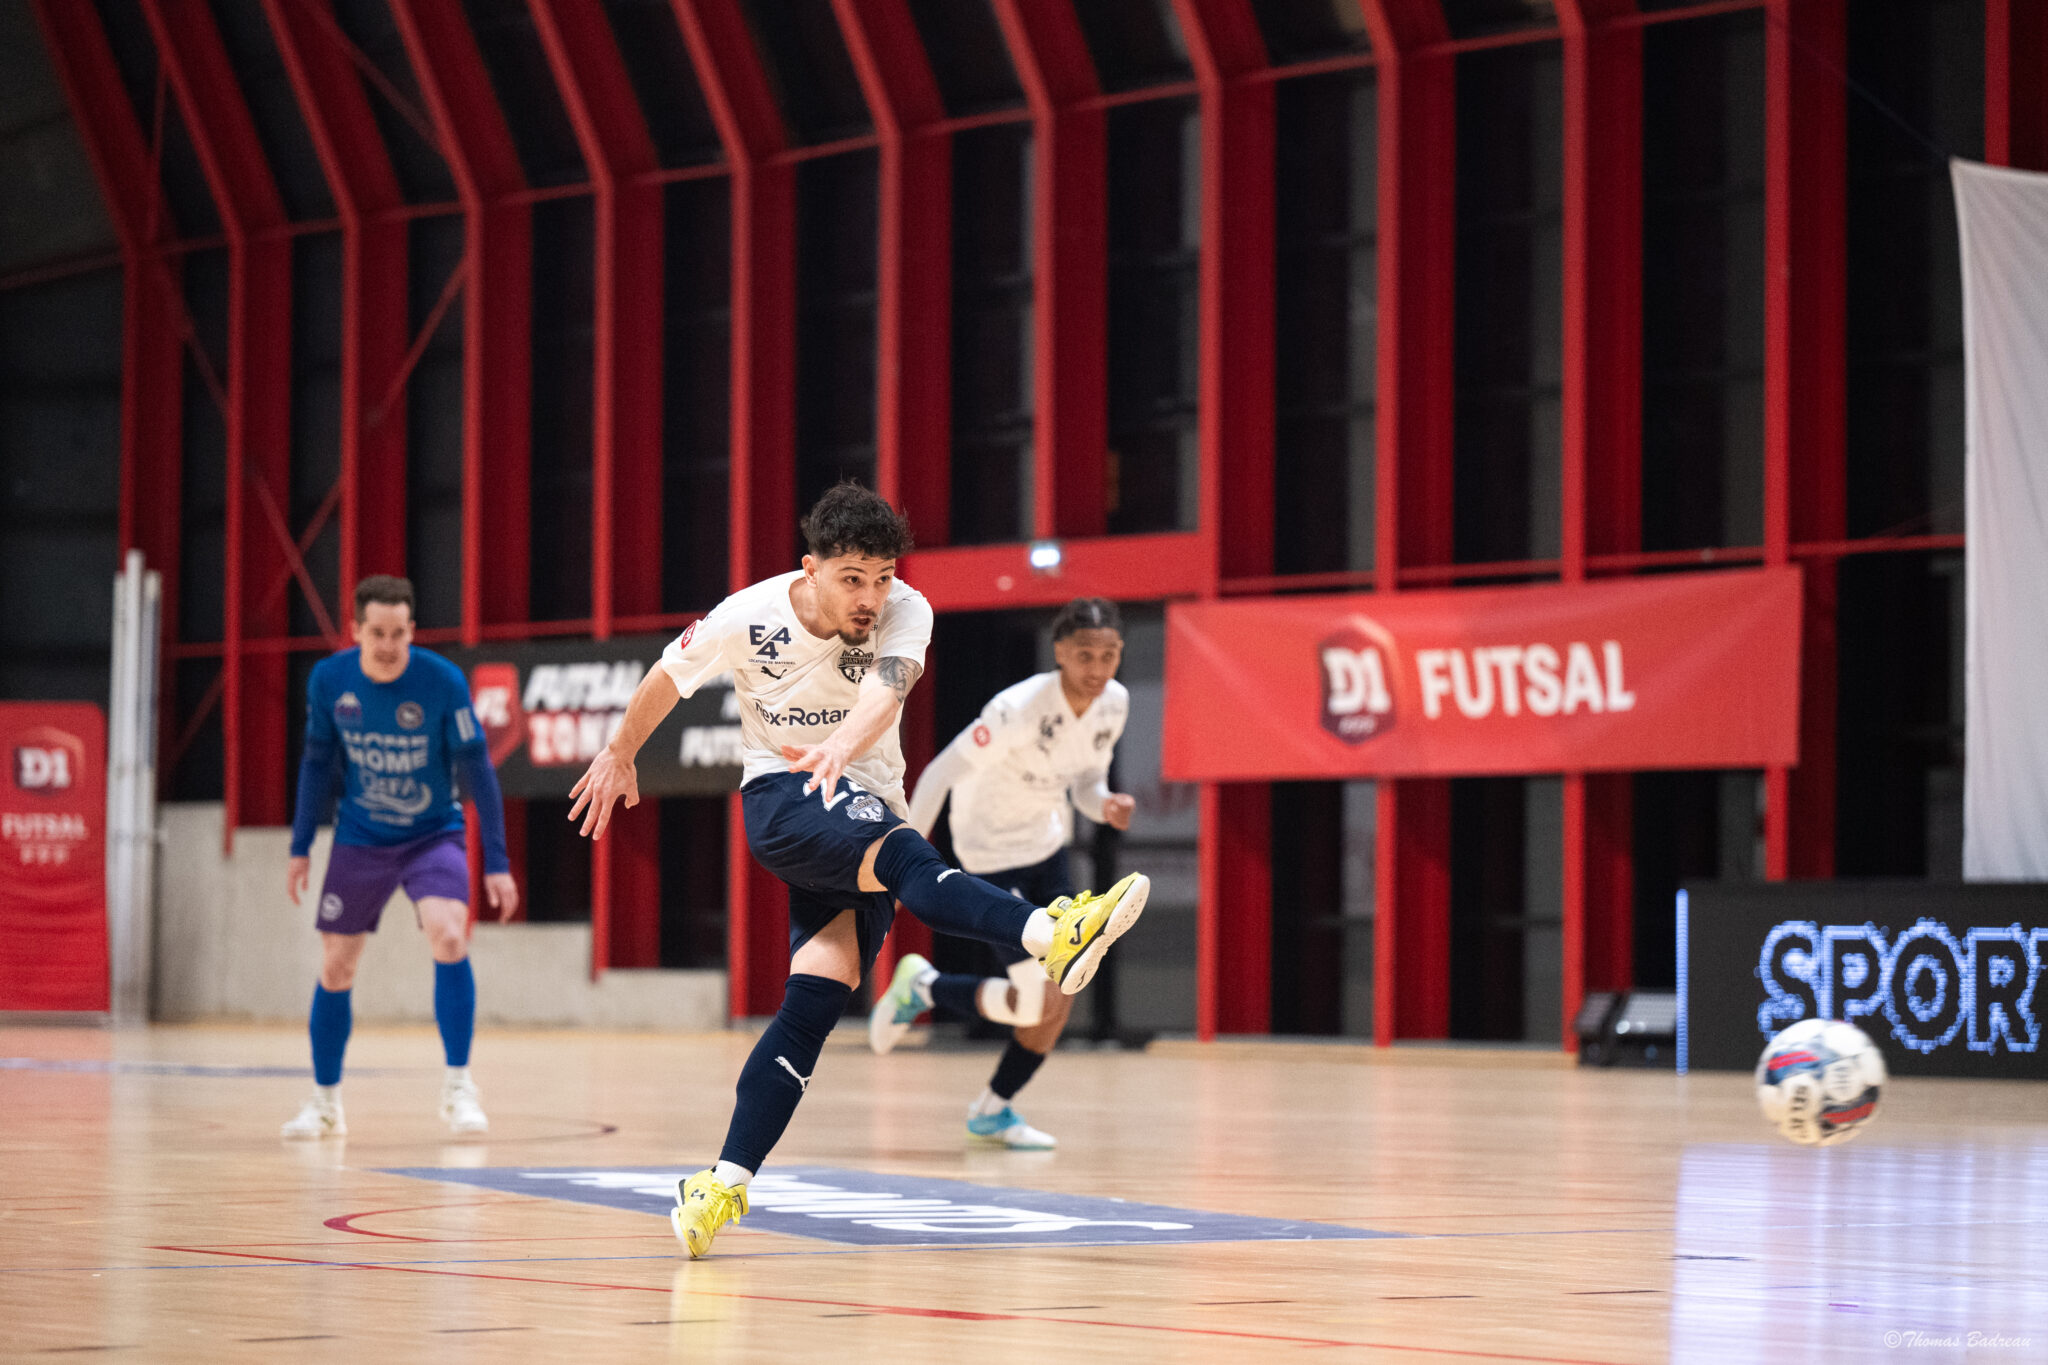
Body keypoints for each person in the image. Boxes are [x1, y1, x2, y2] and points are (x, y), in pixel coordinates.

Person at [568, 482, 1149, 1258]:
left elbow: (888, 687)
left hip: (863, 793)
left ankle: (721, 1180)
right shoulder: (750, 614)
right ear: (810, 570)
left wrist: (845, 746)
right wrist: (619, 750)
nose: (871, 596)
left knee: (813, 1003)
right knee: (910, 856)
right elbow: (668, 677)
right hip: (783, 797)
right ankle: (1054, 930)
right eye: (852, 579)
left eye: (881, 577)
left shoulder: (909, 610)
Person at [869, 598, 1135, 1151]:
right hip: (989, 852)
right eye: (1085, 654)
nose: (1097, 667)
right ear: (1060, 653)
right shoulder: (1017, 708)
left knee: (1059, 992)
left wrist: (1103, 803)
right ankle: (926, 988)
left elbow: (1086, 780)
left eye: (1109, 655)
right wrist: (902, 859)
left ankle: (991, 1108)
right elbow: (940, 773)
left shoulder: (1114, 703)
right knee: (1041, 999)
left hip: (1047, 844)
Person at [279, 576, 517, 1139]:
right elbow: (316, 764)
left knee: (449, 933)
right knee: (337, 964)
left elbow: (478, 770)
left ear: (412, 631)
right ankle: (324, 1102)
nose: (388, 644)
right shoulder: (329, 681)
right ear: (356, 630)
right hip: (360, 837)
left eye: (399, 633)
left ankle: (459, 1087)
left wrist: (498, 862)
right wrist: (299, 846)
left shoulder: (442, 681)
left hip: (433, 834)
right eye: (377, 633)